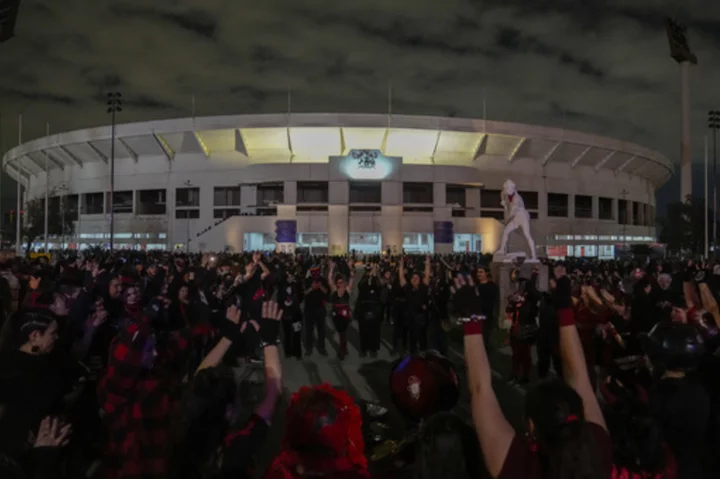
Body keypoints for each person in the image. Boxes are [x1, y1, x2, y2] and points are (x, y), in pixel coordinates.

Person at [459, 263, 612, 479]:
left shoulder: (520, 467)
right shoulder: (599, 448)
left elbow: (480, 389)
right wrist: (565, 310)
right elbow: (581, 382)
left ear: (530, 426)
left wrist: (470, 319)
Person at [328, 260, 354, 360]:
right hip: (336, 314)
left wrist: (349, 267)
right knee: (340, 332)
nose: (340, 283)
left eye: (341, 281)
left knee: (342, 333)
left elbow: (352, 278)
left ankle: (342, 351)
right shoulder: (334, 290)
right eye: (338, 282)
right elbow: (329, 279)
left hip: (345, 314)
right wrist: (331, 268)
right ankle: (344, 349)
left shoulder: (347, 289)